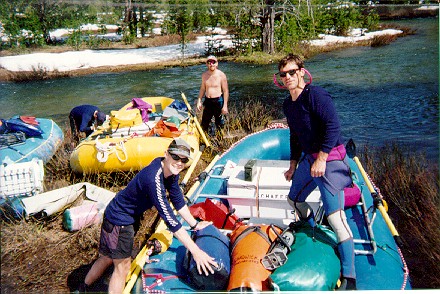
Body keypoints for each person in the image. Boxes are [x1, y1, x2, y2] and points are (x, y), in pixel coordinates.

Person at [79, 138, 218, 293]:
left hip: (125, 215)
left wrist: (195, 224)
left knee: (108, 257)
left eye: (184, 160)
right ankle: (88, 287)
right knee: (122, 267)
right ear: (166, 154)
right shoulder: (153, 179)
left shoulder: (170, 171)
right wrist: (196, 251)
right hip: (119, 221)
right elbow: (170, 219)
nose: (179, 162)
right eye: (176, 157)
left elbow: (177, 199)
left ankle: (83, 287)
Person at [278, 54, 357, 290]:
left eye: (292, 72)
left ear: (302, 71)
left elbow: (333, 126)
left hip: (329, 158)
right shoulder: (288, 104)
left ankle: (350, 277)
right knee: (294, 199)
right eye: (284, 74)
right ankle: (310, 227)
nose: (288, 77)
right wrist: (293, 164)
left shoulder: (316, 95)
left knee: (336, 218)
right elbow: (295, 135)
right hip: (310, 159)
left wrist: (322, 159)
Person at [196, 55, 229, 136]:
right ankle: (205, 140)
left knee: (220, 124)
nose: (211, 64)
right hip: (208, 101)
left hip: (218, 101)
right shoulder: (204, 75)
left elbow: (225, 91)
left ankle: (221, 140)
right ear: (207, 64)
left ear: (217, 64)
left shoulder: (221, 75)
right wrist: (199, 101)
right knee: (204, 123)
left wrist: (225, 106)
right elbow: (202, 89)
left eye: (213, 62)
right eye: (209, 62)